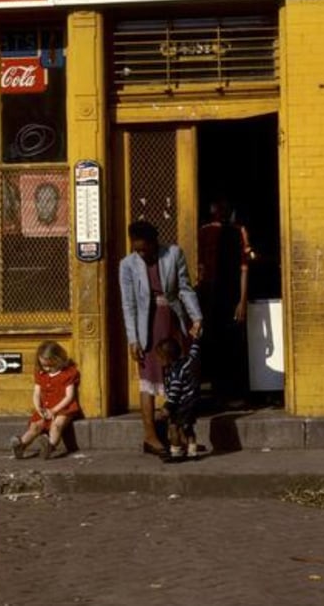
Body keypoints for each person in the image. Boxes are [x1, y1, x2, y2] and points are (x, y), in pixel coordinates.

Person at [118, 219, 203, 456]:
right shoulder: (127, 265)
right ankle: (150, 436)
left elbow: (185, 288)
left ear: (155, 242)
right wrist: (133, 339)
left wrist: (196, 318)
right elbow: (129, 304)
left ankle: (178, 435)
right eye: (137, 249)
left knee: (177, 377)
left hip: (173, 322)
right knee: (149, 379)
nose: (141, 253)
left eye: (145, 247)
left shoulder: (173, 254)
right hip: (147, 328)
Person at [197, 197, 253, 407]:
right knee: (212, 340)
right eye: (217, 206)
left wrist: (242, 299)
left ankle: (233, 392)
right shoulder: (203, 232)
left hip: (230, 291)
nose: (220, 210)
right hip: (209, 291)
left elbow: (244, 268)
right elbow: (199, 266)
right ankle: (216, 391)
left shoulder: (239, 231)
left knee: (232, 340)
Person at [10, 340, 80, 460]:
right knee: (35, 427)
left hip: (63, 408)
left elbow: (69, 396)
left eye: (50, 365)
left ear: (59, 359)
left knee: (57, 425)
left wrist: (54, 410)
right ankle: (21, 444)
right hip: (45, 407)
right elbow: (36, 393)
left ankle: (50, 446)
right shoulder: (41, 374)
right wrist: (39, 409)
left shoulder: (68, 373)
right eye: (44, 365)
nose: (47, 368)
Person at [156, 336, 203, 462]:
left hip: (182, 404)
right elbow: (194, 352)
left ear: (167, 358)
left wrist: (167, 408)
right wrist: (195, 340)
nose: (158, 361)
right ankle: (192, 453)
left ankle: (176, 452)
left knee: (173, 427)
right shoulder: (188, 362)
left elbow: (174, 394)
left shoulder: (175, 373)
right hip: (192, 402)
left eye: (160, 358)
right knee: (188, 427)